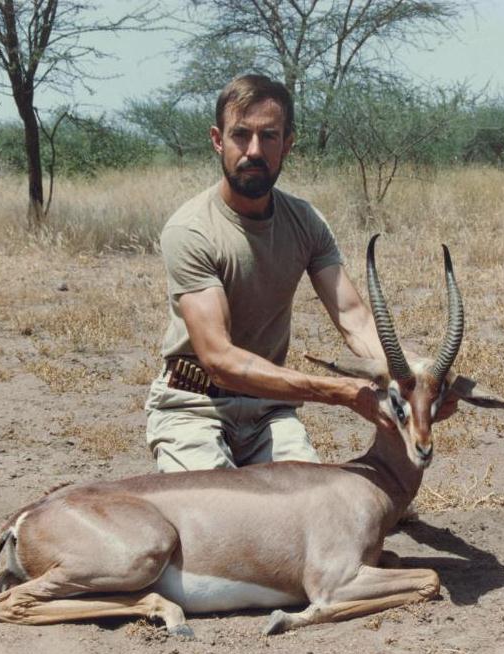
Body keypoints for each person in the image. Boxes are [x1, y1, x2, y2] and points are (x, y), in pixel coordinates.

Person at [145, 74, 395, 472]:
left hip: (268, 412)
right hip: (194, 405)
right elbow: (219, 359)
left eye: (269, 136)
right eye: (240, 135)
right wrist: (340, 391)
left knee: (307, 510)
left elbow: (354, 318)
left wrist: (414, 373)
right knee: (222, 521)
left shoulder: (305, 220)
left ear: (288, 144)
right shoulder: (190, 229)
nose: (254, 150)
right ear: (217, 140)